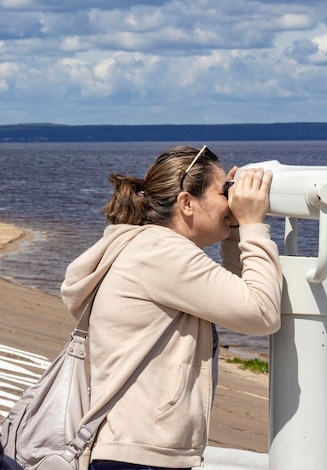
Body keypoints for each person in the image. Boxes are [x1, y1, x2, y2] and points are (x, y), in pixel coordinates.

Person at [60, 145, 282, 470]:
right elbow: (261, 313)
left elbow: (241, 297)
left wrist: (234, 229)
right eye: (223, 191)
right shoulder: (163, 254)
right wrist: (252, 225)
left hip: (132, 449)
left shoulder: (150, 247)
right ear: (186, 203)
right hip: (141, 454)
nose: (230, 201)